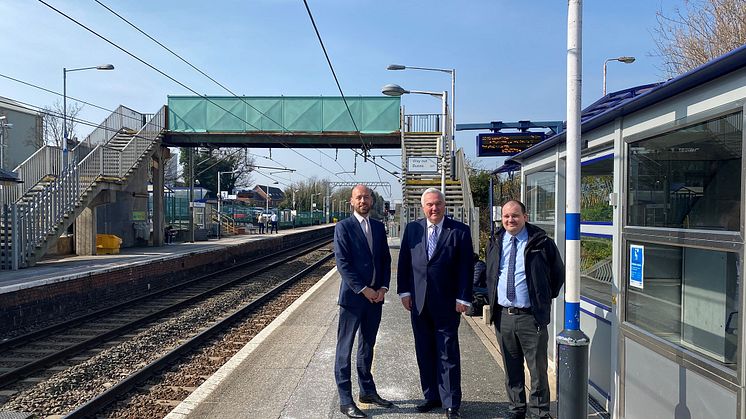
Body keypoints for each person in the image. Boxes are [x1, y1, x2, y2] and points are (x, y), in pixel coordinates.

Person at [397, 187, 473, 419]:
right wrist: (404, 292)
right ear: (422, 207)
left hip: (448, 304)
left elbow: (466, 268)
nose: (434, 208)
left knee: (447, 352)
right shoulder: (412, 229)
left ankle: (451, 402)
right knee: (424, 350)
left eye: (438, 203)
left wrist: (463, 297)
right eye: (429, 204)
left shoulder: (459, 231)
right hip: (418, 303)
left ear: (444, 205)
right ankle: (431, 396)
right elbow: (404, 263)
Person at [485, 200, 564, 419]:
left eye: (515, 216)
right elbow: (492, 273)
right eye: (507, 216)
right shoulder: (495, 241)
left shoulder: (541, 243)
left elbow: (558, 274)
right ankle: (517, 409)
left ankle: (539, 412)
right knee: (511, 369)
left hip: (531, 317)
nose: (511, 220)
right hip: (504, 316)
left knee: (537, 370)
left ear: (525, 217)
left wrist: (542, 299)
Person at [333, 184, 394, 418]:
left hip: (376, 299)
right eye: (359, 198)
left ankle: (367, 390)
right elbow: (343, 264)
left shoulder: (379, 227)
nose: (363, 201)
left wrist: (383, 288)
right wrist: (364, 289)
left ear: (372, 201)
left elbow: (385, 260)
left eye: (366, 197)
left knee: (367, 346)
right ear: (352, 201)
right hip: (353, 299)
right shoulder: (343, 227)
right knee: (344, 349)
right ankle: (345, 399)